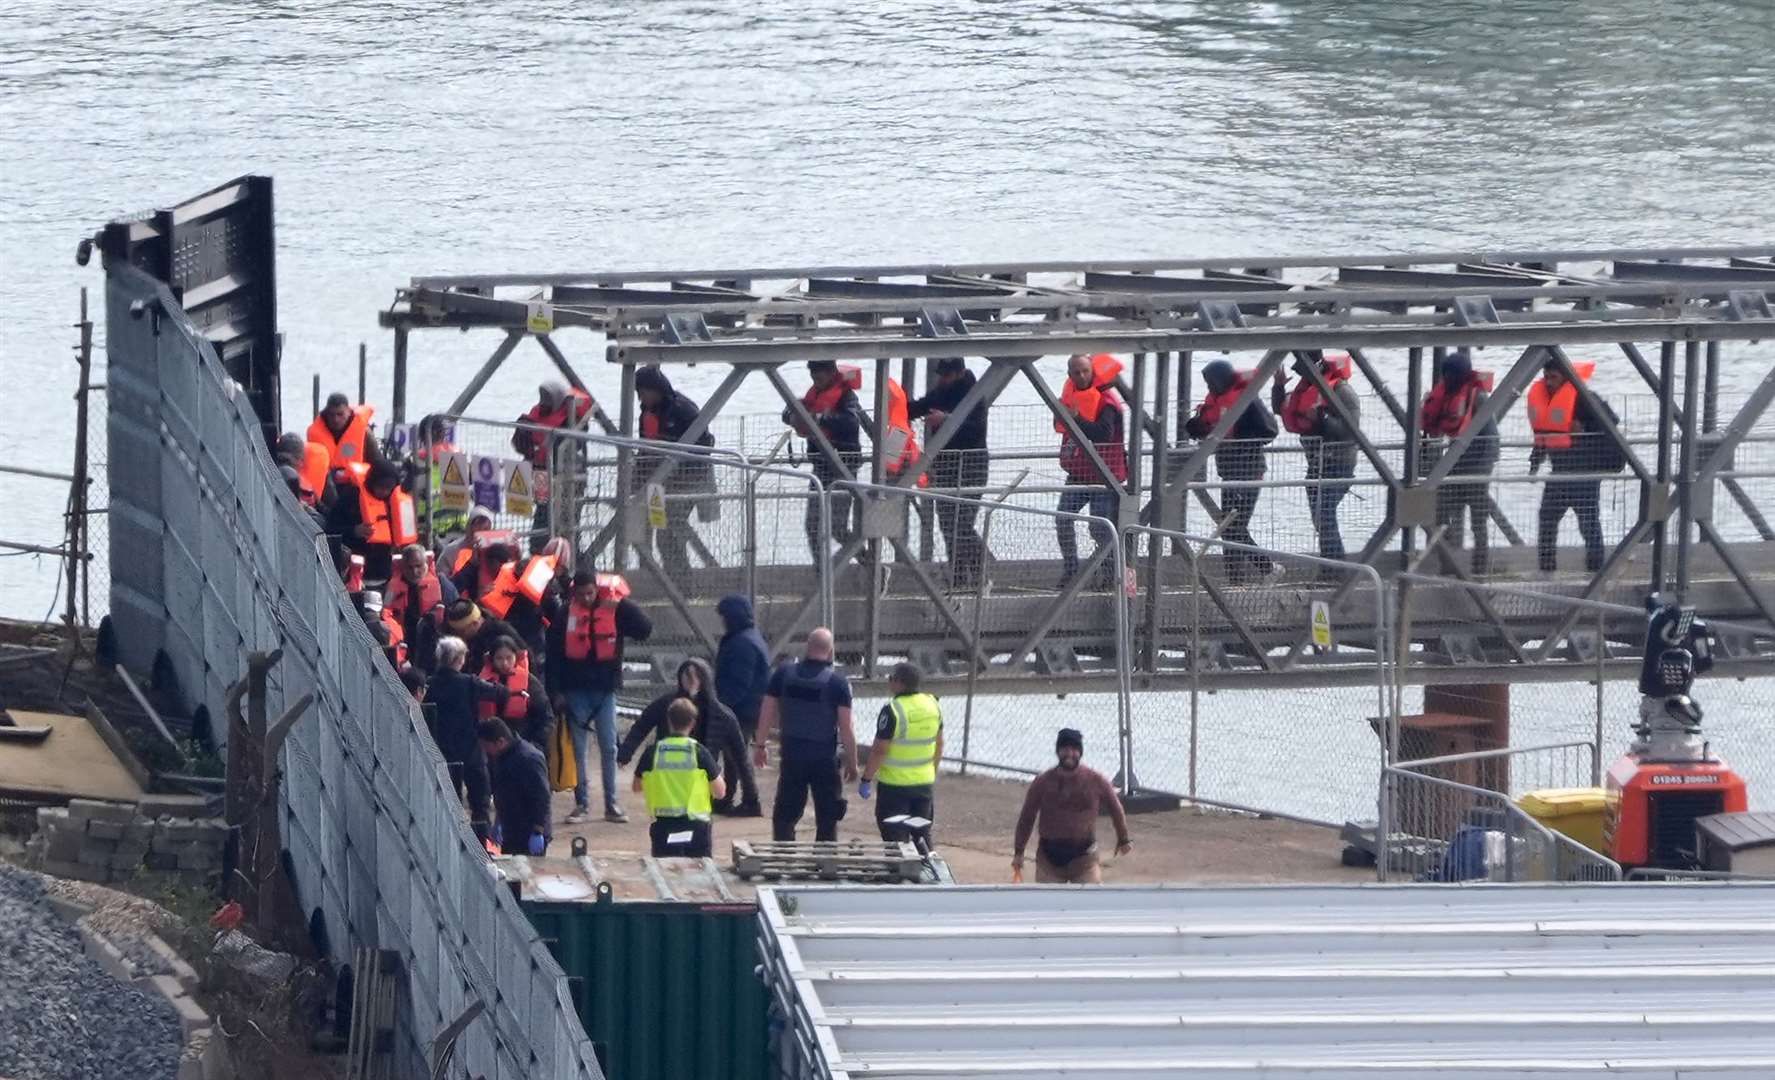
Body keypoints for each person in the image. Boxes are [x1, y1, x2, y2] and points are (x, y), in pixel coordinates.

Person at [545, 570, 653, 824]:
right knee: (579, 750)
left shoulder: (615, 609)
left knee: (609, 747)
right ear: (574, 593)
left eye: (590, 593)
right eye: (581, 594)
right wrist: (556, 693)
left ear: (597, 590)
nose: (586, 598)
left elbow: (645, 629)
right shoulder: (564, 615)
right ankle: (581, 803)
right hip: (575, 692)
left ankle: (611, 803)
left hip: (605, 691)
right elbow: (553, 657)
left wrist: (622, 604)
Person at [753, 627, 859, 842]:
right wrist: (853, 762)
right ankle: (824, 863)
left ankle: (784, 857)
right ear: (830, 652)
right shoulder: (838, 683)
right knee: (827, 815)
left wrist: (760, 745)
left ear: (807, 648)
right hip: (824, 758)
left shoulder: (783, 674)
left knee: (785, 812)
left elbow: (766, 710)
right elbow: (846, 727)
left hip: (792, 755)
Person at [619, 657, 759, 816]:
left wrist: (751, 799)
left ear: (704, 679)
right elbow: (641, 726)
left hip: (701, 779)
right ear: (680, 677)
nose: (692, 681)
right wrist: (625, 753)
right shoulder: (666, 704)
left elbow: (741, 757)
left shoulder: (722, 715)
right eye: (687, 675)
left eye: (696, 676)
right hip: (669, 779)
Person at [1186, 359, 1280, 583]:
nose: (1209, 387)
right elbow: (1199, 425)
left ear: (1221, 380)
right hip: (1228, 472)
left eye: (1211, 382)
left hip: (1248, 472)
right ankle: (1235, 578)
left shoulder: (1248, 401)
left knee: (1234, 527)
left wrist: (1235, 439)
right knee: (1228, 528)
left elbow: (1269, 431)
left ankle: (1268, 568)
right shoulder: (1215, 401)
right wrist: (1198, 427)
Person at [907, 357, 990, 587]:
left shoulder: (974, 393)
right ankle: (959, 576)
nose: (942, 379)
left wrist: (947, 420)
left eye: (946, 375)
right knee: (947, 523)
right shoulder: (942, 390)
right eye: (941, 375)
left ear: (960, 373)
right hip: (945, 466)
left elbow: (976, 430)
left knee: (962, 524)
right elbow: (918, 407)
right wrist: (894, 406)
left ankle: (980, 571)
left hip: (972, 465)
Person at [1011, 728, 1132, 884]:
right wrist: (1019, 852)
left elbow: (1116, 809)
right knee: (1048, 905)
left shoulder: (1096, 780)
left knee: (1089, 904)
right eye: (1065, 748)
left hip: (1085, 860)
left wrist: (1123, 839)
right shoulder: (1043, 782)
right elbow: (1027, 817)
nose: (1069, 753)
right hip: (1048, 860)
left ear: (1080, 752)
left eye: (1074, 749)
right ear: (1058, 751)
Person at [1528, 358, 1615, 574]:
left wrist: (1584, 428)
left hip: (1585, 473)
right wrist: (1534, 462)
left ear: (1565, 377)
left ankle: (1596, 571)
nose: (1548, 383)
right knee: (1547, 520)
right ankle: (1546, 568)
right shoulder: (1547, 400)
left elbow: (1612, 420)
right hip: (1559, 472)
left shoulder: (1586, 398)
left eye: (1554, 377)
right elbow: (1543, 436)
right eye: (1546, 377)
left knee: (1588, 524)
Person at [1273, 351, 1361, 565]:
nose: (1305, 378)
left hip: (1339, 464)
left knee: (1324, 514)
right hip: (1316, 464)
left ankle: (1335, 567)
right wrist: (1278, 387)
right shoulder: (1306, 390)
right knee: (1320, 517)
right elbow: (1281, 409)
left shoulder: (1343, 392)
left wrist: (1321, 419)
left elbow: (1350, 430)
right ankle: (1330, 563)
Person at [1420, 349, 1500, 574]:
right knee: (1442, 514)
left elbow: (1492, 438)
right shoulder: (1446, 395)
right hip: (1455, 465)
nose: (1447, 379)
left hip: (1477, 466)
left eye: (1451, 374)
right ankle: (1448, 564)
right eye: (1445, 374)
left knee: (1478, 521)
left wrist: (1483, 469)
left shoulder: (1478, 398)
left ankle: (1479, 567)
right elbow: (1430, 425)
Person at [427, 636, 511, 843]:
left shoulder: (430, 685)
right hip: (471, 748)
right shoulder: (469, 683)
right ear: (459, 659)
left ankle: (450, 844)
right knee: (480, 803)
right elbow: (501, 693)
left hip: (443, 751)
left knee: (449, 803)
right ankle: (482, 846)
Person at [634, 365, 716, 577]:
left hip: (686, 481)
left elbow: (704, 445)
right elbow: (643, 446)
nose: (642, 399)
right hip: (656, 483)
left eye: (644, 393)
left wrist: (677, 464)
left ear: (656, 389)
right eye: (639, 394)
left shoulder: (683, 409)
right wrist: (637, 478)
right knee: (654, 526)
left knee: (669, 531)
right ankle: (660, 578)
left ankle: (680, 581)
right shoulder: (646, 412)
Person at [1054, 354, 1127, 591]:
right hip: (1078, 474)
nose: (1081, 376)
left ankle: (1110, 576)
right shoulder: (1069, 399)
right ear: (1069, 375)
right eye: (1076, 372)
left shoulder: (1107, 402)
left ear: (1092, 372)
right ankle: (1071, 571)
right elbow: (1060, 426)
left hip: (1104, 478)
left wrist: (1076, 418)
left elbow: (1103, 434)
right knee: (1063, 518)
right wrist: (1063, 413)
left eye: (1085, 371)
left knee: (1100, 528)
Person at [783, 361, 867, 564]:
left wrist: (818, 418)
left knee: (837, 527)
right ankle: (821, 573)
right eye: (813, 378)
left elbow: (850, 421)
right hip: (820, 466)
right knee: (812, 524)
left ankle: (872, 564)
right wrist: (793, 416)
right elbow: (787, 412)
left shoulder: (847, 397)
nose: (816, 382)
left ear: (831, 374)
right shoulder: (814, 396)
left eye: (819, 378)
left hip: (843, 468)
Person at [858, 662, 943, 846]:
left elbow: (880, 750)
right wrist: (932, 772)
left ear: (898, 682)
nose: (889, 683)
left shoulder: (893, 710)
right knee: (922, 835)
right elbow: (939, 744)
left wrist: (866, 778)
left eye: (890, 679)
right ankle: (927, 871)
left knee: (895, 838)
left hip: (895, 787)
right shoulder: (933, 705)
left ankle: (900, 873)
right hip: (924, 785)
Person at [632, 698, 727, 857]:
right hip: (696, 827)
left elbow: (636, 787)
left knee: (665, 874)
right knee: (701, 874)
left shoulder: (653, 752)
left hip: (664, 827)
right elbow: (720, 792)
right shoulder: (699, 752)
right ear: (692, 723)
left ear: (668, 720)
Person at [513, 380, 594, 551]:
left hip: (568, 481)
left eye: (548, 399)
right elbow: (520, 443)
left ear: (558, 399)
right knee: (543, 519)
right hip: (542, 476)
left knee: (568, 525)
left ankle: (566, 555)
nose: (544, 403)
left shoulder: (573, 421)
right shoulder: (534, 416)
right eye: (542, 398)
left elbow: (570, 448)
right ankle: (540, 550)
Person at [326, 460, 417, 583]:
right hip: (353, 571)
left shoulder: (395, 501)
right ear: (372, 482)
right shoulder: (350, 497)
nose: (384, 492)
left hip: (385, 572)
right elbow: (330, 530)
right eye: (381, 487)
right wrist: (354, 531)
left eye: (388, 489)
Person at [478, 718, 553, 857]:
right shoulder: (501, 758)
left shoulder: (529, 759)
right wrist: (499, 821)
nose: (487, 752)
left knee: (528, 874)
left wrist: (538, 831)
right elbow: (503, 793)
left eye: (487, 747)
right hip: (511, 829)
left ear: (500, 742)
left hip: (529, 831)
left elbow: (542, 797)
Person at [383, 544, 457, 674]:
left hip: (434, 644)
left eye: (418, 566)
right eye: (409, 567)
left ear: (426, 564)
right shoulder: (392, 588)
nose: (414, 571)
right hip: (405, 643)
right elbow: (385, 613)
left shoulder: (442, 584)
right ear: (402, 567)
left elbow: (455, 610)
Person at [478, 636, 553, 750]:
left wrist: (536, 745)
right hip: (491, 748)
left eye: (509, 658)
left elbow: (546, 717)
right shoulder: (481, 683)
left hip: (524, 743)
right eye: (499, 658)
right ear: (492, 659)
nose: (505, 663)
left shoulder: (530, 682)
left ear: (516, 657)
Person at [715, 594, 772, 743]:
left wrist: (719, 707)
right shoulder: (748, 637)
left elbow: (739, 683)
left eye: (724, 616)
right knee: (736, 755)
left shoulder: (742, 643)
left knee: (734, 757)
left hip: (741, 711)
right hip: (747, 709)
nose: (722, 621)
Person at [410, 413, 467, 542]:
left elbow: (408, 498)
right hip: (459, 525)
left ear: (422, 435)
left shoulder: (416, 461)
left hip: (428, 527)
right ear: (443, 434)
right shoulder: (459, 458)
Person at [308, 392, 385, 470]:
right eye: (331, 415)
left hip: (357, 479)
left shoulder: (365, 432)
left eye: (340, 414)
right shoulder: (315, 434)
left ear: (348, 412)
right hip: (326, 479)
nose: (336, 420)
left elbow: (378, 461)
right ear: (326, 414)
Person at [443, 599, 521, 674]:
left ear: (475, 624)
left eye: (461, 631)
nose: (459, 636)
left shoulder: (501, 631)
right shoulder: (465, 639)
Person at [276, 432, 336, 511]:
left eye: (288, 461)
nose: (286, 465)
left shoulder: (309, 493)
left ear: (301, 462)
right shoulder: (265, 478)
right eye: (282, 459)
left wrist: (306, 508)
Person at [440, 506, 497, 581]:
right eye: (477, 527)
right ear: (469, 528)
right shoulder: (452, 551)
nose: (480, 533)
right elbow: (442, 581)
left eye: (485, 529)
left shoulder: (495, 552)